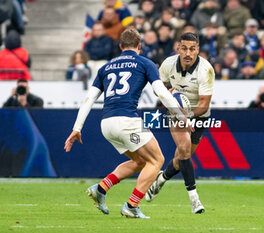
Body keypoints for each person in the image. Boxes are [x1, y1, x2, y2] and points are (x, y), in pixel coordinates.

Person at [64, 28, 188, 219]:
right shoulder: (145, 63)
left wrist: (76, 128)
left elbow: (88, 99)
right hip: (127, 120)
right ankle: (132, 205)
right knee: (157, 160)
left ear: (121, 47)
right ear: (140, 46)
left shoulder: (105, 67)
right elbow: (161, 93)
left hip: (106, 124)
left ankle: (101, 188)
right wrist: (181, 117)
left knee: (140, 161)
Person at [145, 32, 214, 214]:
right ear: (178, 48)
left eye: (192, 49)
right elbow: (156, 89)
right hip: (175, 111)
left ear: (198, 49)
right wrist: (166, 93)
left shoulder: (206, 69)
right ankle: (195, 200)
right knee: (183, 149)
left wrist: (187, 114)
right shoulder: (168, 64)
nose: (188, 53)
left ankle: (161, 179)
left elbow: (204, 104)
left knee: (180, 159)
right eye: (184, 48)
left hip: (198, 114)